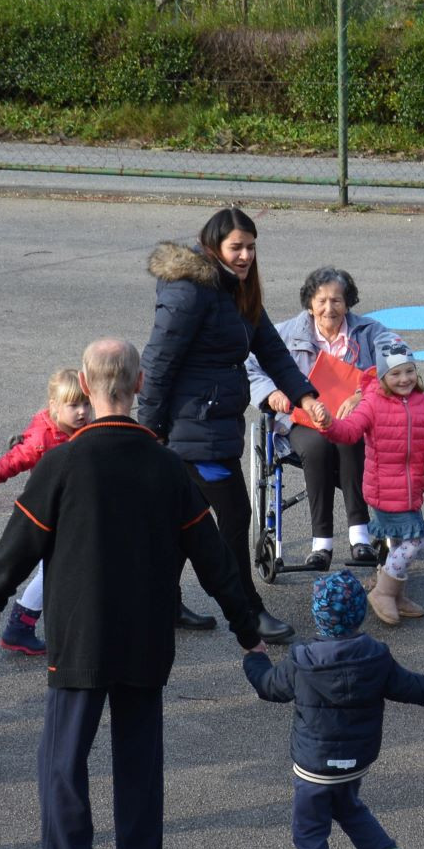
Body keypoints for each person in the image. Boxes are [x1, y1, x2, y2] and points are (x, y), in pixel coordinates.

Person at [0, 337, 271, 849]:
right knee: (139, 763)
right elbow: (213, 557)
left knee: (62, 762)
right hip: (146, 635)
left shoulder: (62, 463)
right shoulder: (167, 466)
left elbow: (20, 542)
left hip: (80, 636)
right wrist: (246, 628)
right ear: (139, 386)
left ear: (85, 386)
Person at [243, 571, 424, 849]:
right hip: (355, 762)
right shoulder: (376, 657)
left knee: (308, 829)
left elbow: (268, 687)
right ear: (360, 615)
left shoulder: (303, 660)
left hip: (315, 766)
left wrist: (254, 657)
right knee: (348, 807)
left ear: (318, 616)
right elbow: (421, 689)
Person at [139, 207, 324, 642]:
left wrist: (306, 398)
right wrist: (148, 432)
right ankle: (248, 612)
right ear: (213, 246)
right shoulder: (189, 291)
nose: (245, 256)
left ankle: (161, 602)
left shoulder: (236, 289)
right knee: (235, 514)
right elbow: (158, 362)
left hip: (215, 425)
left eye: (251, 247)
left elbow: (272, 350)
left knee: (185, 518)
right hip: (191, 429)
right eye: (236, 247)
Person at [253, 266, 407, 571]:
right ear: (310, 303)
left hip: (352, 420)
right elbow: (249, 363)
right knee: (317, 446)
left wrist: (364, 395)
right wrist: (271, 392)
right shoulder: (285, 333)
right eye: (321, 300)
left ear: (347, 303)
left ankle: (360, 536)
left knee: (349, 440)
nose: (329, 308)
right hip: (301, 420)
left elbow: (400, 365)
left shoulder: (371, 332)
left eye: (336, 300)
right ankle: (321, 543)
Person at [0, 367, 91, 657]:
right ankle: (21, 625)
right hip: (50, 514)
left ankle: (25, 625)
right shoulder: (42, 439)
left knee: (60, 569)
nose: (82, 412)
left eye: (86, 404)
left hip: (73, 512)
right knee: (51, 570)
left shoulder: (84, 432)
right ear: (55, 406)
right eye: (74, 405)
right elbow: (7, 464)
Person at [325, 346, 424, 626]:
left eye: (409, 371)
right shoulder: (372, 403)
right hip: (384, 489)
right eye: (395, 373)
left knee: (400, 542)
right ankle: (384, 591)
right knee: (416, 540)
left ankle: (397, 596)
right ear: (382, 376)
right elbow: (350, 431)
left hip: (413, 489)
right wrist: (329, 425)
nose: (404, 379)